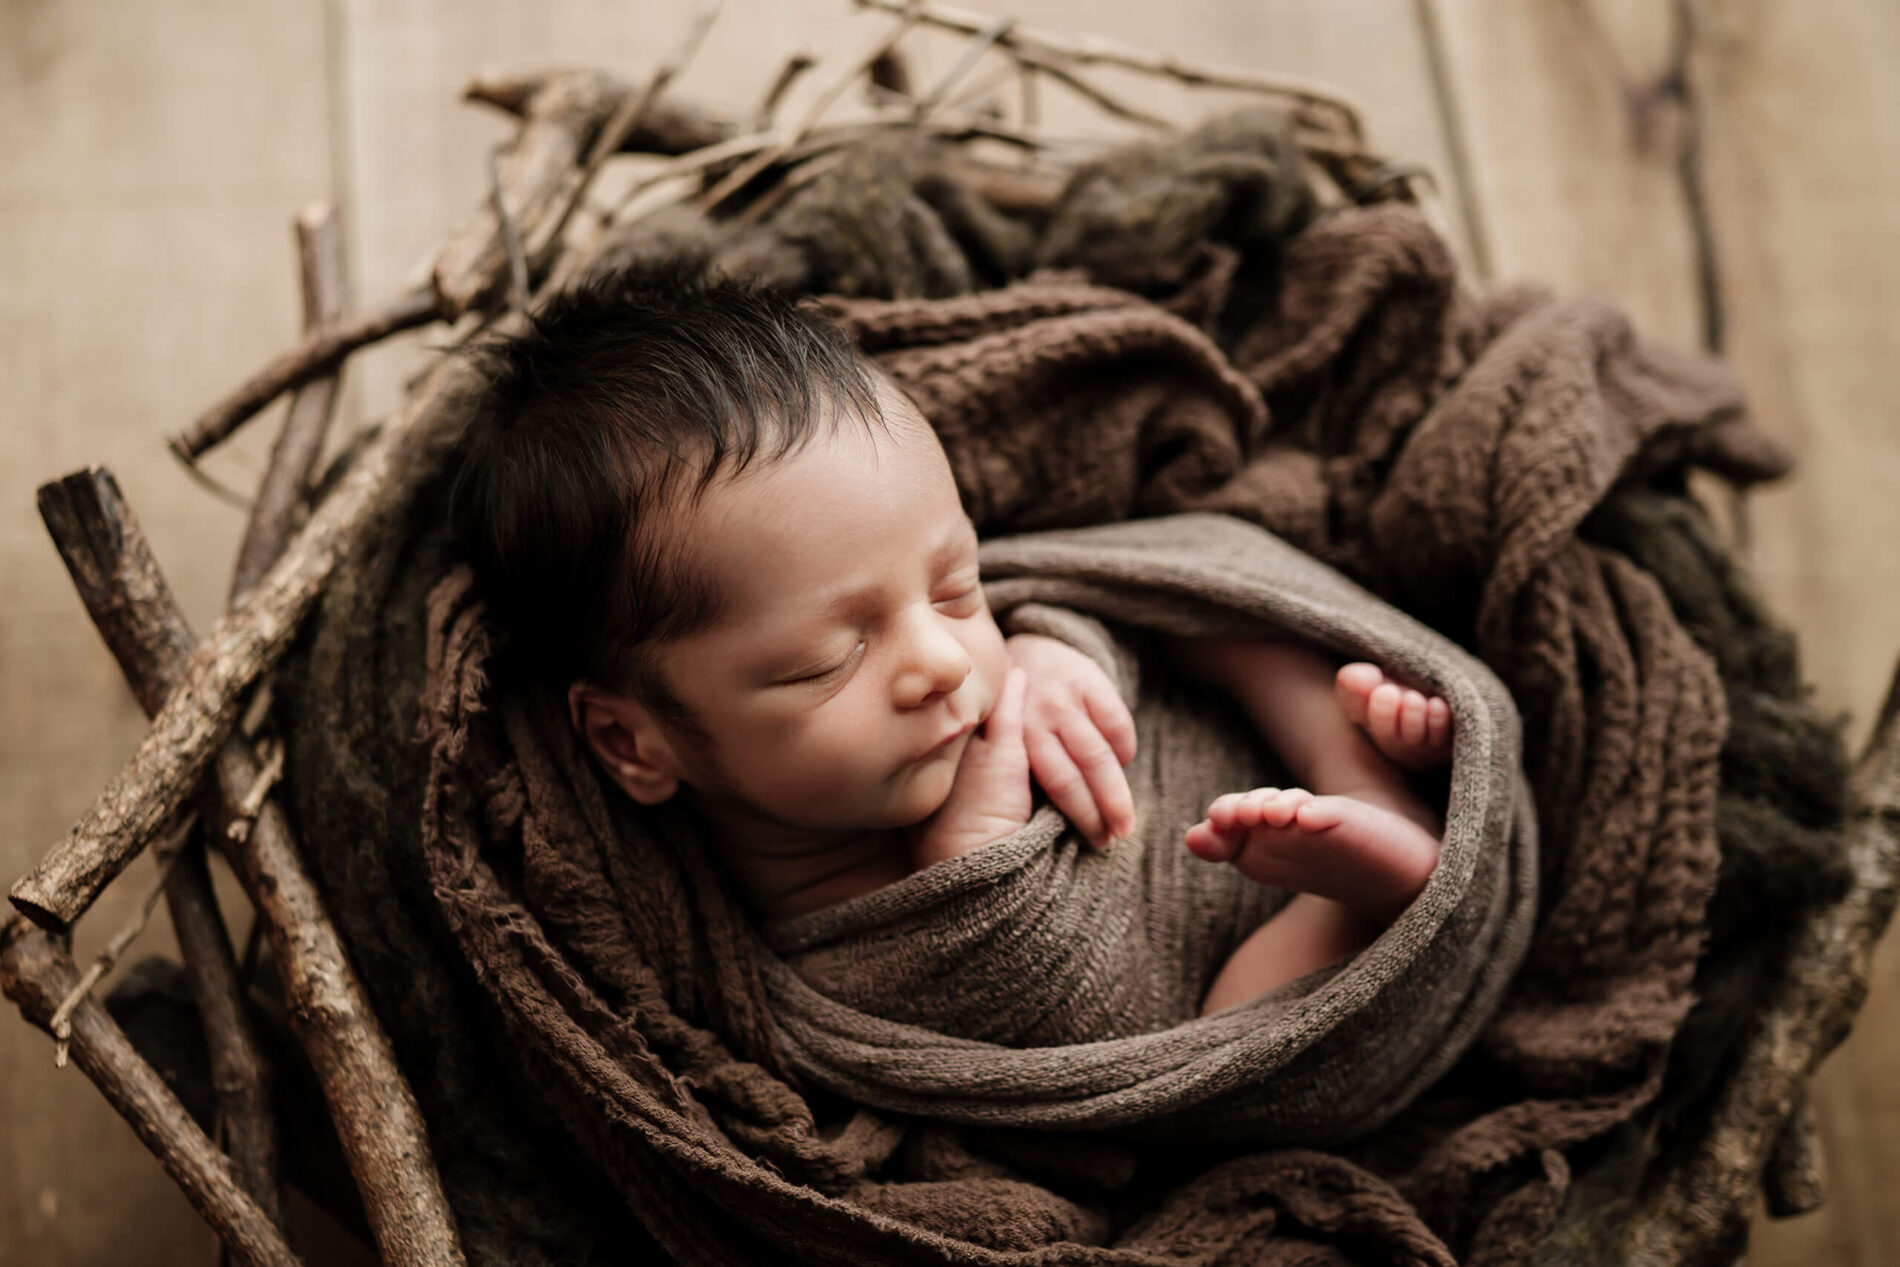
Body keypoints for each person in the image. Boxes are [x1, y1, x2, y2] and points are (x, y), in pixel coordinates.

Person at [448, 265, 1451, 1020]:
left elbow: (1094, 587)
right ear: (634, 743)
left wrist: (1057, 649)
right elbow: (1046, 1049)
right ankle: (1359, 906)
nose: (937, 660)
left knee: (1217, 616)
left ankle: (1351, 756)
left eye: (954, 584)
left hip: (1221, 758)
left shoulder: (968, 654)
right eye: (826, 659)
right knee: (1225, 1047)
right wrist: (970, 871)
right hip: (1205, 972)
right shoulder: (791, 926)